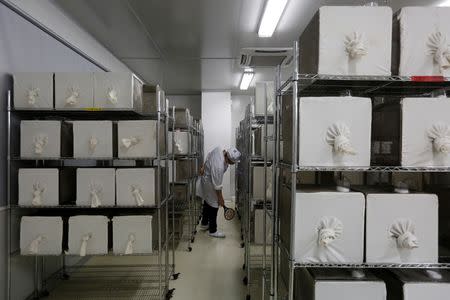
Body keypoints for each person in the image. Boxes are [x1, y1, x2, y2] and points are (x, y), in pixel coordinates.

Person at [196, 146, 241, 238]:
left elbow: (209, 155)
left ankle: (204, 223)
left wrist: (204, 166)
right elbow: (217, 186)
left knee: (208, 202)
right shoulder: (219, 167)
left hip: (207, 180)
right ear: (230, 159)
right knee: (214, 205)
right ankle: (213, 230)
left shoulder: (218, 150)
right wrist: (221, 199)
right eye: (234, 162)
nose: (234, 164)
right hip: (209, 183)